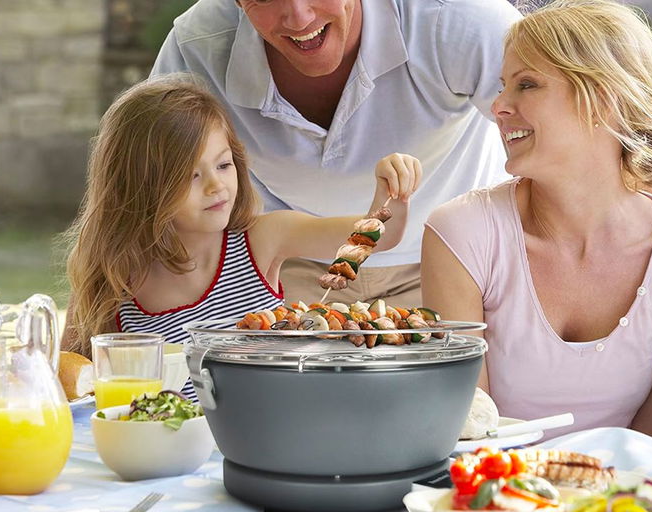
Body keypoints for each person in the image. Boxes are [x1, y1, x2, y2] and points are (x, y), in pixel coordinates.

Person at [150, 0, 652, 308]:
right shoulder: (197, 50)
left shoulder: (446, 12)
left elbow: (591, 131)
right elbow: (137, 187)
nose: (299, 17)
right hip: (290, 270)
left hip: (453, 263)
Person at [422, 0, 652, 441]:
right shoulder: (462, 236)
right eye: (504, 85)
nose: (498, 106)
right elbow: (469, 430)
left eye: (526, 85)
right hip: (491, 500)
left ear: (601, 100)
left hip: (627, 501)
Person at [62, 75, 422, 399]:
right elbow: (72, 381)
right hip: (166, 457)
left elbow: (379, 235)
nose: (217, 186)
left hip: (266, 442)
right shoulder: (112, 274)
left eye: (223, 165)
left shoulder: (262, 239)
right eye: (191, 176)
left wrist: (390, 189)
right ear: (140, 187)